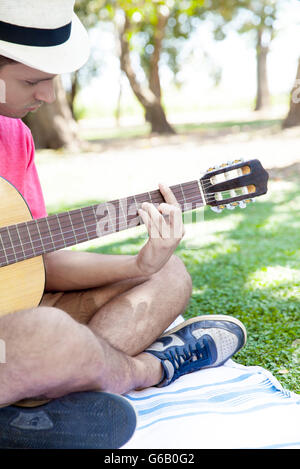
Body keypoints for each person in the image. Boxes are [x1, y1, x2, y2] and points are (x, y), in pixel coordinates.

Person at [0, 0, 247, 441]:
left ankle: (35, 394)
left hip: (16, 316)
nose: (48, 96)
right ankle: (145, 370)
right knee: (46, 334)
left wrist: (139, 266)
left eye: (53, 80)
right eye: (32, 80)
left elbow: (36, 258)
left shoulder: (14, 135)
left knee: (169, 276)